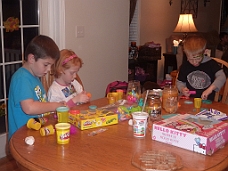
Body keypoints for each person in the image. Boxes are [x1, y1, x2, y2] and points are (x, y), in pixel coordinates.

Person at [8, 35, 66, 140]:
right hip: (22, 139)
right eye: (46, 65)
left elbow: (40, 103)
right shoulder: (21, 78)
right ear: (32, 58)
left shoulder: (35, 77)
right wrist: (55, 106)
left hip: (34, 134)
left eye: (51, 65)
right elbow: (29, 108)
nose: (49, 69)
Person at [176, 35, 226, 101]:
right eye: (190, 59)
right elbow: (180, 81)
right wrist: (182, 89)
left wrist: (210, 89)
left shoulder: (211, 63)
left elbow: (222, 76)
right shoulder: (185, 65)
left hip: (207, 101)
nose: (194, 62)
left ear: (205, 52)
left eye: (197, 59)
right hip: (189, 100)